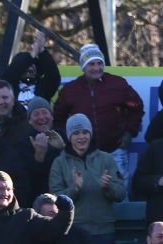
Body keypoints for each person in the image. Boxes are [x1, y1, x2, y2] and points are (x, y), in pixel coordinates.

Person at [52, 44, 144, 174]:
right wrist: (69, 142)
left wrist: (129, 132)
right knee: (87, 192)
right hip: (83, 155)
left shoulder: (117, 84)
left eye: (99, 63)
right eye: (91, 64)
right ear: (83, 67)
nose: (96, 68)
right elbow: (58, 119)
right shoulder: (70, 90)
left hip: (115, 151)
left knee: (119, 191)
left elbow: (137, 107)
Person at [50, 113, 127, 244]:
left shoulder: (106, 159)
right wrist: (75, 189)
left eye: (85, 132)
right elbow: (55, 198)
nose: (81, 137)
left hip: (103, 231)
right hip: (73, 230)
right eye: (76, 133)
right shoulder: (59, 163)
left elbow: (121, 193)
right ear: (69, 137)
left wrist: (108, 187)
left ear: (90, 134)